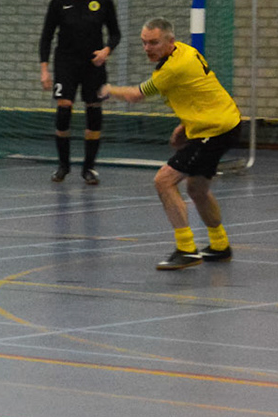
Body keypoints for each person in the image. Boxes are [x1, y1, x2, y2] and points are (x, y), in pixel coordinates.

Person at [102, 16, 243, 270]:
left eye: (154, 43)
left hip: (215, 130)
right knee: (197, 189)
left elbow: (135, 95)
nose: (147, 48)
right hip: (223, 123)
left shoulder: (173, 68)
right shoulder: (185, 52)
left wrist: (107, 90)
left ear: (170, 41)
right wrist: (185, 126)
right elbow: (198, 93)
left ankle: (186, 249)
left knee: (164, 181)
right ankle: (220, 245)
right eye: (144, 42)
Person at [38, 0, 121, 185]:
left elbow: (115, 33)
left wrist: (106, 51)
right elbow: (46, 37)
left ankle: (89, 168)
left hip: (93, 64)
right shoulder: (59, 0)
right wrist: (44, 70)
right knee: (64, 110)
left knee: (93, 111)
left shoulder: (103, 0)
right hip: (66, 62)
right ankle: (63, 165)